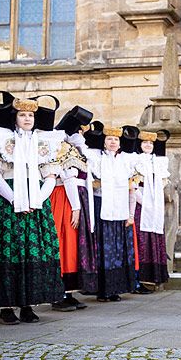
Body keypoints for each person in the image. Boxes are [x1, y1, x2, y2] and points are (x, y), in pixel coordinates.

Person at [0, 96, 65, 324]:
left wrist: (36, 199)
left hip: (36, 200)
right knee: (10, 249)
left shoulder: (44, 142)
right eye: (22, 115)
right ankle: (6, 306)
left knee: (33, 250)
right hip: (9, 199)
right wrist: (13, 198)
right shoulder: (3, 139)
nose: (27, 118)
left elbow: (51, 176)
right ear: (15, 118)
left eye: (30, 115)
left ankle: (28, 304)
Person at [68, 123, 137, 302]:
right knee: (103, 247)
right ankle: (102, 290)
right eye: (109, 139)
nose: (113, 142)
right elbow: (82, 150)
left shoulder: (126, 160)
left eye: (116, 139)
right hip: (102, 205)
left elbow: (132, 189)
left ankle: (116, 289)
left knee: (117, 248)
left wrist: (131, 214)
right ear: (104, 142)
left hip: (120, 208)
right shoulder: (96, 157)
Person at [51, 105, 97, 310]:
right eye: (79, 131)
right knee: (65, 242)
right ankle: (58, 292)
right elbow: (68, 177)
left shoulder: (77, 150)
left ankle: (68, 291)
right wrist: (76, 207)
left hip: (77, 198)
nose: (81, 135)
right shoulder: (62, 148)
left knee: (73, 245)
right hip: (66, 198)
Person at [132, 130, 170, 289]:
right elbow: (133, 185)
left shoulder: (158, 162)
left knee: (154, 236)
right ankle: (139, 278)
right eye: (145, 142)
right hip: (141, 205)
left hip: (155, 206)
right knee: (141, 239)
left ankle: (154, 276)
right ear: (140, 145)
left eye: (150, 143)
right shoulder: (136, 160)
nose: (148, 145)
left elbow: (162, 184)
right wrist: (144, 202)